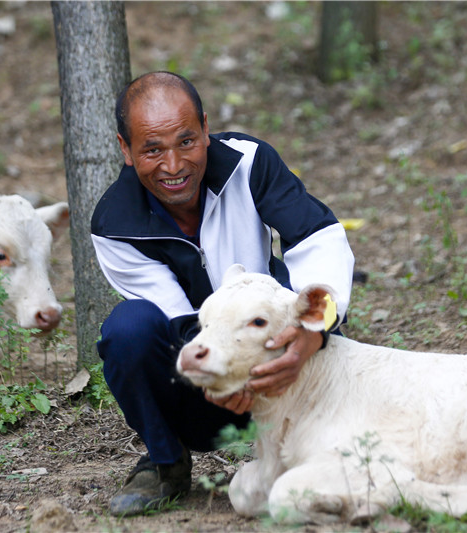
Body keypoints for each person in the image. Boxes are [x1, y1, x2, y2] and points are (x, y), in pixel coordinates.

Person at [90, 71, 355, 516]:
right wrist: (221, 379)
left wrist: (314, 331)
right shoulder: (114, 225)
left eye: (186, 142)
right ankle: (166, 461)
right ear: (125, 150)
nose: (174, 166)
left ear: (207, 129)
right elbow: (181, 324)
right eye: (152, 149)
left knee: (340, 448)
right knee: (126, 329)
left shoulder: (249, 162)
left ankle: (315, 444)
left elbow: (317, 240)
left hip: (285, 360)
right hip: (207, 389)